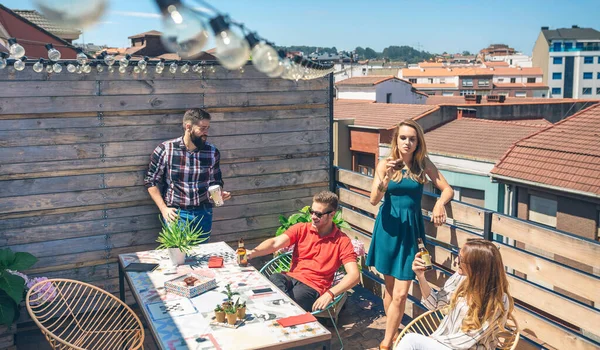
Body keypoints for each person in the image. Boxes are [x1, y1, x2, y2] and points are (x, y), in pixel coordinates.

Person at [367, 119, 454, 350]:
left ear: (418, 142)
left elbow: (447, 188)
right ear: (396, 139)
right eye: (403, 137)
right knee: (389, 287)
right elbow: (374, 200)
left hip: (411, 231)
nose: (407, 142)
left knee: (402, 293)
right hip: (388, 228)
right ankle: (393, 335)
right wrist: (386, 178)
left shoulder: (422, 164)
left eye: (412, 139)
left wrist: (439, 205)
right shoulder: (385, 164)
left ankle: (385, 344)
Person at [246, 191, 360, 312]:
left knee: (286, 300)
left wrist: (330, 293)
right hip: (291, 278)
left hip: (313, 287)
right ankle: (288, 314)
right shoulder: (301, 228)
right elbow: (275, 243)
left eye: (318, 214)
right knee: (274, 279)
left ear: (332, 214)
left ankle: (284, 314)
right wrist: (252, 253)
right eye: (312, 212)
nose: (313, 217)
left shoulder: (342, 241)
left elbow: (354, 275)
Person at [396, 239, 514, 349]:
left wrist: (432, 340)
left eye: (461, 259)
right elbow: (435, 304)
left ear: (477, 267)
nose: (456, 261)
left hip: (465, 347)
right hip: (444, 343)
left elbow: (466, 340)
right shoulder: (461, 278)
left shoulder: (497, 300)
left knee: (410, 340)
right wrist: (420, 277)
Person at [144, 108, 231, 239]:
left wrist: (218, 194)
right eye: (202, 128)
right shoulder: (166, 149)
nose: (205, 133)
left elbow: (216, 180)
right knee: (179, 257)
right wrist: (163, 209)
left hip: (204, 213)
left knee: (202, 256)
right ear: (188, 127)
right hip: (176, 214)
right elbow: (151, 181)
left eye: (208, 128)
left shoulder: (212, 152)